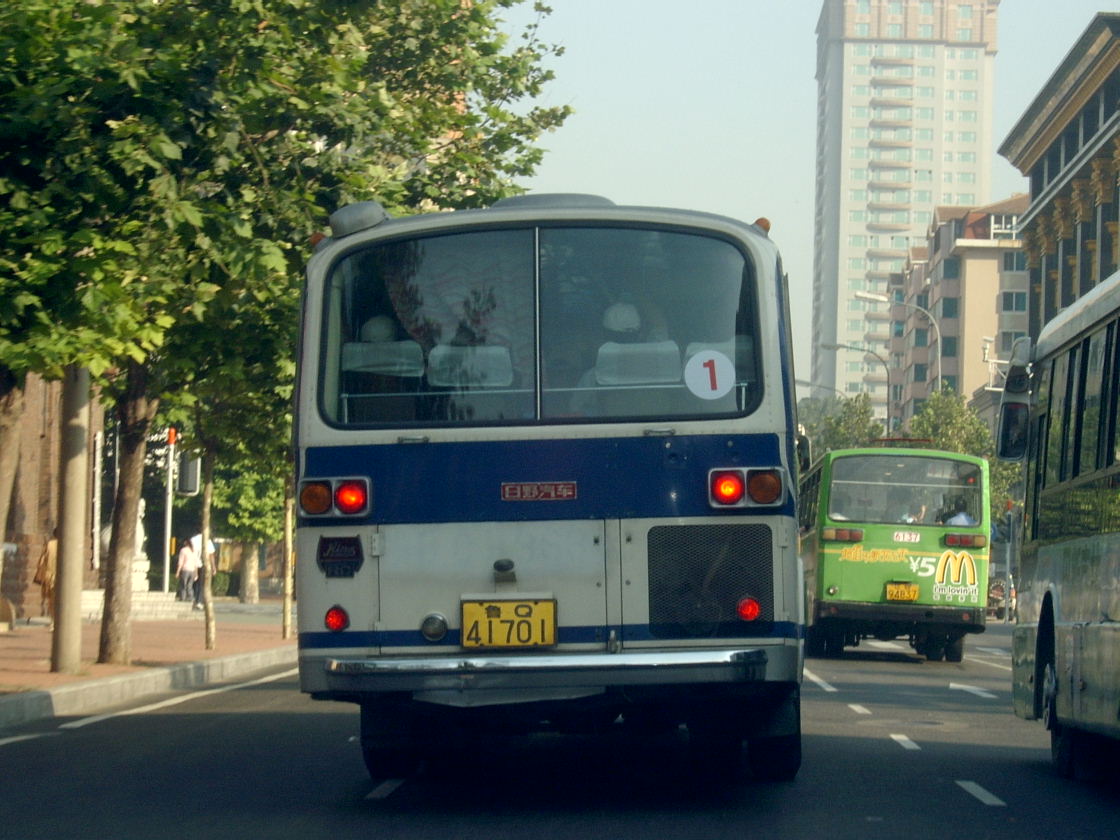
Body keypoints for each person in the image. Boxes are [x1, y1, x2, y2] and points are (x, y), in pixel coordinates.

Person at [188, 533, 216, 610]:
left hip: (192, 564)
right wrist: (213, 567)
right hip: (204, 565)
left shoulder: (193, 540)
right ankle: (199, 601)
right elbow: (211, 555)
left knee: (193, 583)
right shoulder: (207, 540)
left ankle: (193, 599)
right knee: (202, 584)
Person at [175, 537, 200, 604]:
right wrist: (196, 573)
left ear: (185, 543)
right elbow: (196, 563)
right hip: (192, 570)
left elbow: (181, 562)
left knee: (183, 585)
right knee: (190, 585)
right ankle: (191, 597)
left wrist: (178, 572)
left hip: (185, 570)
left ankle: (183, 597)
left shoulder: (183, 550)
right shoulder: (194, 551)